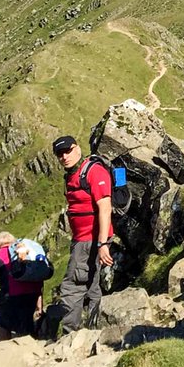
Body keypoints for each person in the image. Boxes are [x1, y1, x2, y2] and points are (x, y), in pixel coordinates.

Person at [52, 134, 113, 332]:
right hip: (83, 239)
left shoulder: (94, 172)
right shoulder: (72, 175)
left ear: (77, 148)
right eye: (60, 154)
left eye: (68, 151)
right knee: (91, 285)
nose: (64, 157)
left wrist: (102, 244)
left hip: (90, 239)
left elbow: (105, 207)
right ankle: (94, 329)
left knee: (72, 286)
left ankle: (70, 333)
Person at [0, 232, 44, 340]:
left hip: (10, 296)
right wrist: (39, 303)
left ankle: (5, 349)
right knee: (26, 324)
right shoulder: (26, 252)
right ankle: (29, 348)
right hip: (31, 295)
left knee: (3, 325)